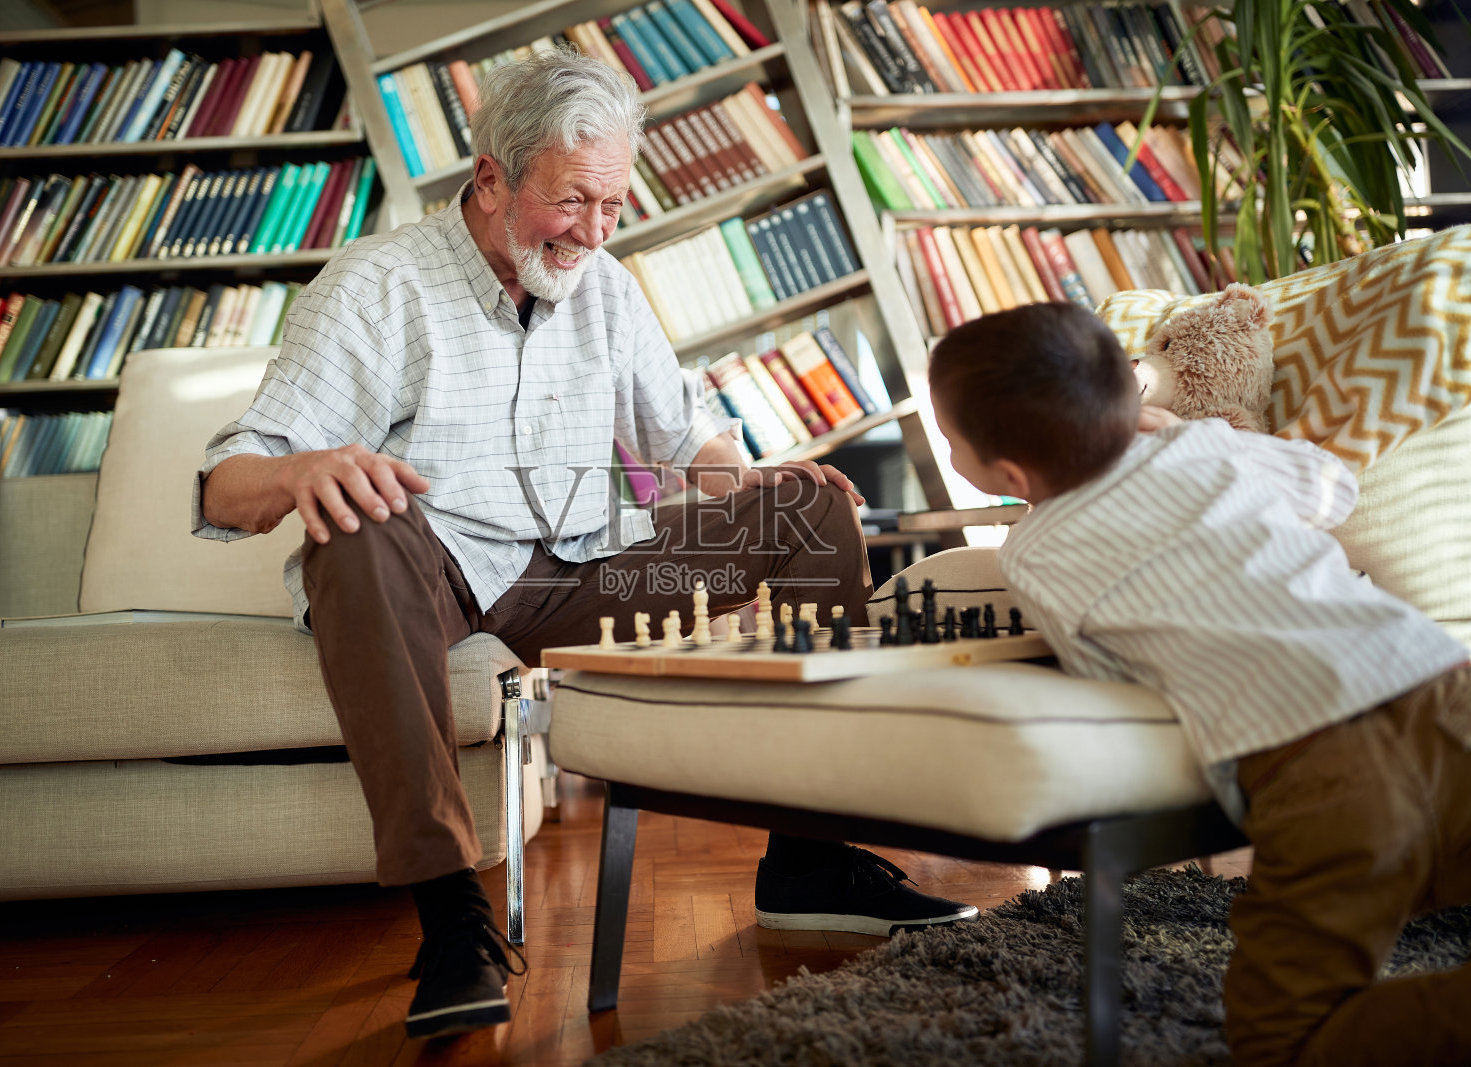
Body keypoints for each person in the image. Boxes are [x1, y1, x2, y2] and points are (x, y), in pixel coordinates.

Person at [193, 50, 975, 1041]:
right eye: (573, 202)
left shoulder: (601, 282)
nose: (595, 232)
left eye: (614, 206)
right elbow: (230, 473)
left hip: (587, 564)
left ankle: (809, 857)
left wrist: (749, 501)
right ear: (490, 178)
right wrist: (301, 471)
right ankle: (450, 916)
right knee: (356, 525)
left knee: (812, 502)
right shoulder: (376, 288)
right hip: (428, 565)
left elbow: (681, 437)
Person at [926, 300, 1471, 1066]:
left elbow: (1109, 669)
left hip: (1323, 772)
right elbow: (1333, 488)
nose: (951, 454)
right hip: (1442, 683)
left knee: (1282, 1037)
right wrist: (1187, 436)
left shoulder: (1033, 552)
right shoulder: (1210, 447)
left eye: (951, 441)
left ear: (1010, 475)